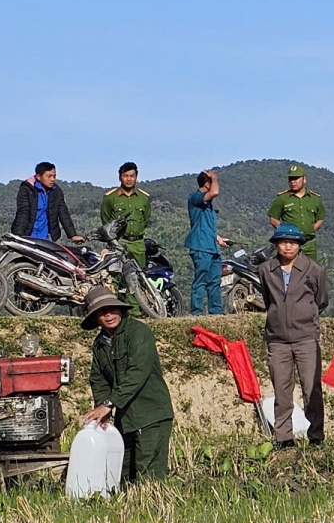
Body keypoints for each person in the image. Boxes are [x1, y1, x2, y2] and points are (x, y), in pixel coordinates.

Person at [80, 285, 174, 483]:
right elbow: (98, 379)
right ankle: (129, 511)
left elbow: (137, 373)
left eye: (111, 309)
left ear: (120, 309)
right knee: (124, 474)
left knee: (149, 476)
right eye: (101, 312)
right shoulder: (100, 344)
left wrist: (108, 404)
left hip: (151, 414)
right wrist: (102, 407)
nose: (108, 315)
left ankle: (153, 511)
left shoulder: (139, 333)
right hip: (126, 418)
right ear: (95, 318)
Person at [260, 223, 329, 447]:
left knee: (311, 389)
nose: (287, 247)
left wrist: (304, 315)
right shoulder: (266, 270)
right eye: (283, 242)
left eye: (292, 243)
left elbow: (321, 300)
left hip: (306, 338)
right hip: (277, 339)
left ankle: (316, 436)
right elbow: (268, 298)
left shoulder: (313, 269)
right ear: (276, 245)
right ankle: (283, 437)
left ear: (299, 245)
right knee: (281, 390)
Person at [183, 170, 230, 316]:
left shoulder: (208, 206)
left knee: (214, 281)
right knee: (201, 280)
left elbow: (205, 225)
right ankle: (196, 311)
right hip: (200, 247)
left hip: (212, 247)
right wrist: (214, 177)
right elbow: (215, 192)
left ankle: (216, 311)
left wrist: (219, 239)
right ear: (207, 184)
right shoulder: (196, 197)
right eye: (212, 182)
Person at [10, 161, 84, 243]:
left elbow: (63, 212)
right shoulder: (26, 190)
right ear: (38, 176)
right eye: (49, 176)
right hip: (28, 236)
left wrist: (72, 235)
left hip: (47, 238)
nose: (52, 179)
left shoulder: (56, 191)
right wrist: (18, 235)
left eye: (54, 176)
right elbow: (23, 212)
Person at [267, 164, 327, 259]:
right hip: (290, 244)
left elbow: (320, 219)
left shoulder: (315, 199)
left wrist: (311, 230)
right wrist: (286, 231)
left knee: (312, 271)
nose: (293, 182)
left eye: (296, 178)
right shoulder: (282, 198)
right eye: (290, 179)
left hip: (309, 244)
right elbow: (273, 219)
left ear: (304, 179)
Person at [100, 162, 153, 268]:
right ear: (120, 178)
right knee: (115, 278)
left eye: (132, 176)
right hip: (119, 243)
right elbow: (105, 220)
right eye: (125, 176)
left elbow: (145, 219)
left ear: (136, 178)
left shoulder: (144, 198)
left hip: (138, 245)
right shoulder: (110, 198)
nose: (129, 179)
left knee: (139, 277)